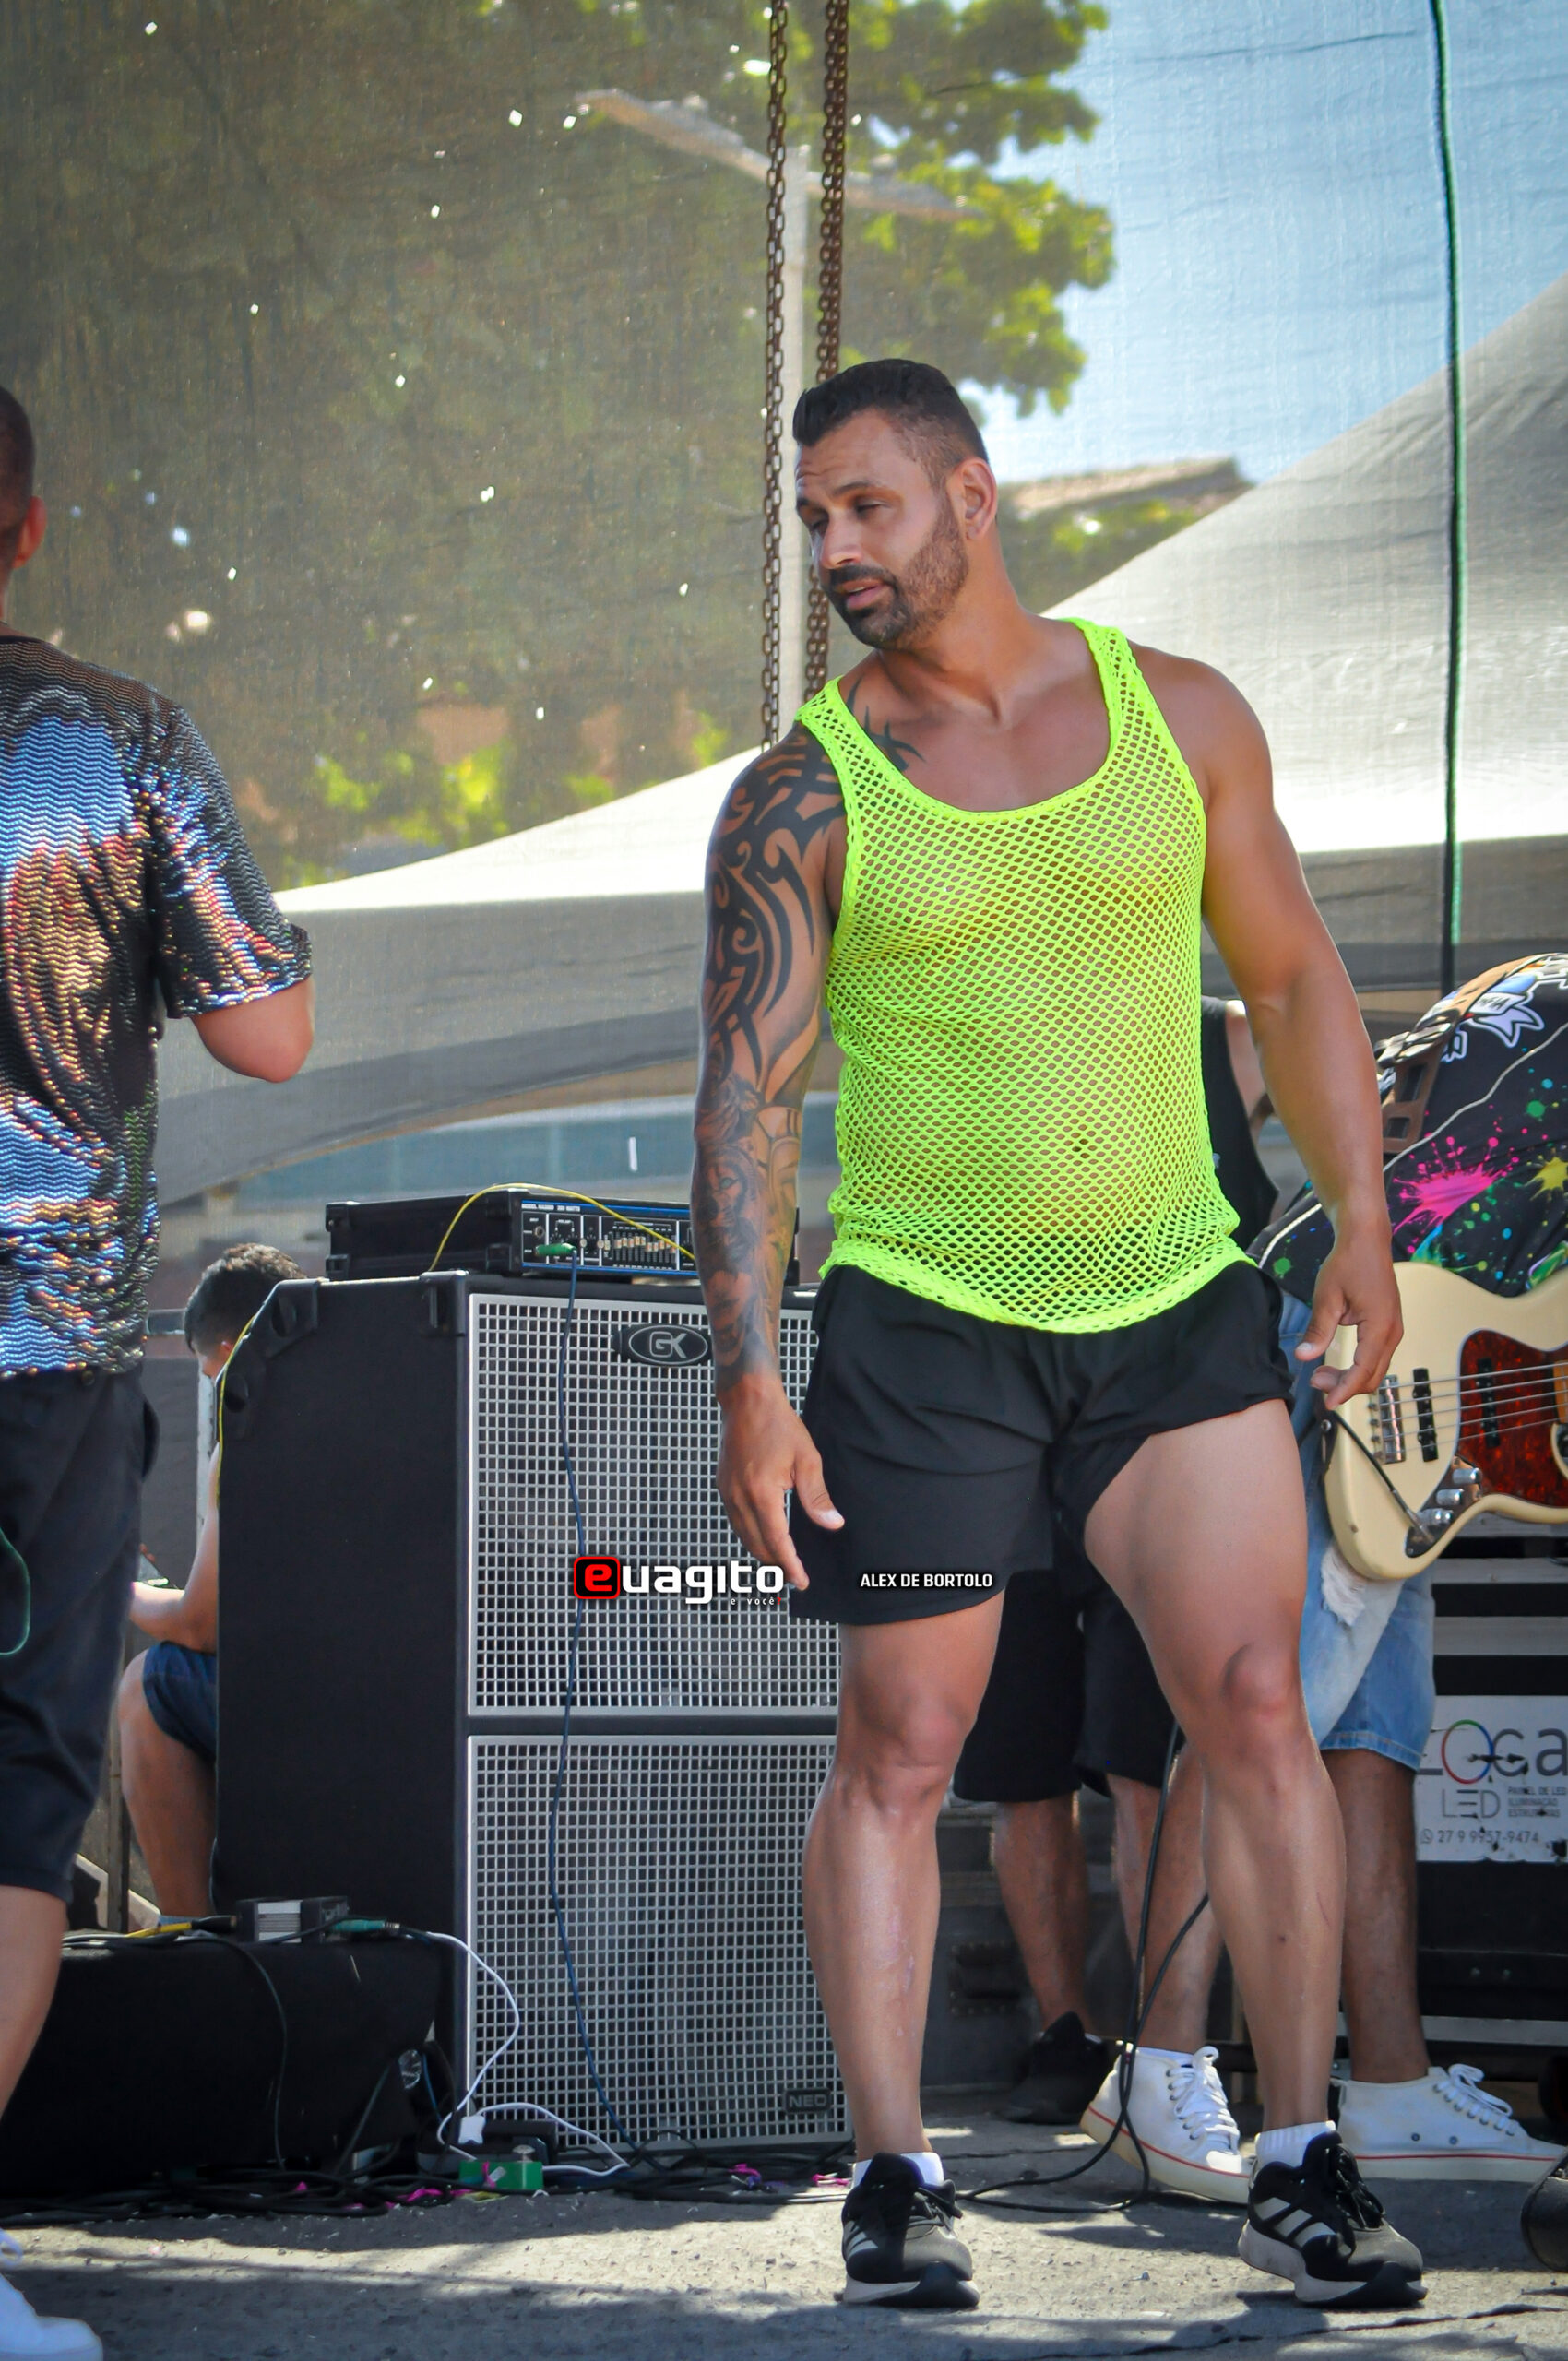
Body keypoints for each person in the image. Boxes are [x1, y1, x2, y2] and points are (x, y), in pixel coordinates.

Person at [694, 356, 1422, 2314]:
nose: (836, 549)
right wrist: (749, 1372)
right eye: (812, 519)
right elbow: (748, 1095)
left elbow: (1293, 976)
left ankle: (1298, 2156)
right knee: (903, 1746)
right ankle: (896, 2170)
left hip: (1174, 1303)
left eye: (866, 506)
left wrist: (1362, 1224)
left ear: (972, 494)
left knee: (1256, 1707)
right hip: (928, 1324)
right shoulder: (799, 792)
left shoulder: (1179, 714)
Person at [0, 386, 313, 2361]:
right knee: (15, 1796)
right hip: (36, 1349)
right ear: (28, 529)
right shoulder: (117, 738)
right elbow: (269, 1033)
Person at [949, 997, 1274, 2189]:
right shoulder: (983, 1035)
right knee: (1021, 1771)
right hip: (1011, 1453)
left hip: (1160, 1448)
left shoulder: (1226, 1036)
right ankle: (1067, 2034)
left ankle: (1160, 2053)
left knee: (1150, 1763)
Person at [116, 1246, 303, 1919]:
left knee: (148, 1681)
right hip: (393, 1703)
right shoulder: (367, 1407)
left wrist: (117, 1589)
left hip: (305, 1711)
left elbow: (200, 1624)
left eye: (207, 1367)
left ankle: (193, 1931)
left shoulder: (253, 1438)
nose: (209, 1382)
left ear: (227, 1349)